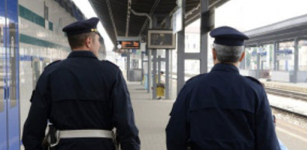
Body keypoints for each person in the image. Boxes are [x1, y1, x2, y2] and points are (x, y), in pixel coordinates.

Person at [22, 17, 140, 150]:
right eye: (98, 40)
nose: (99, 45)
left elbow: (33, 128)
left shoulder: (51, 73)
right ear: (88, 41)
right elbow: (126, 125)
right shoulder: (112, 73)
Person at [166, 26, 280, 150]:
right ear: (242, 56)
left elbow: (174, 135)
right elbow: (268, 142)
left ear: (214, 53)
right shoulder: (255, 91)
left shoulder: (192, 87)